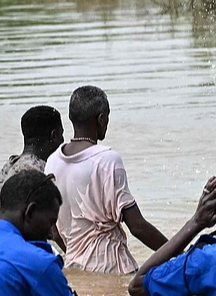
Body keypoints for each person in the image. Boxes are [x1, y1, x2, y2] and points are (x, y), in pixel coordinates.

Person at [48, 85, 166, 274]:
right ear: (101, 118)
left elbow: (55, 231)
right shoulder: (107, 159)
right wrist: (179, 253)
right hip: (113, 268)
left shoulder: (52, 162)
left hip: (75, 270)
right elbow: (137, 227)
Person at [0, 105, 64, 224]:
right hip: (16, 241)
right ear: (53, 136)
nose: (63, 140)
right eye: (61, 134)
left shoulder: (9, 166)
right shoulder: (38, 174)